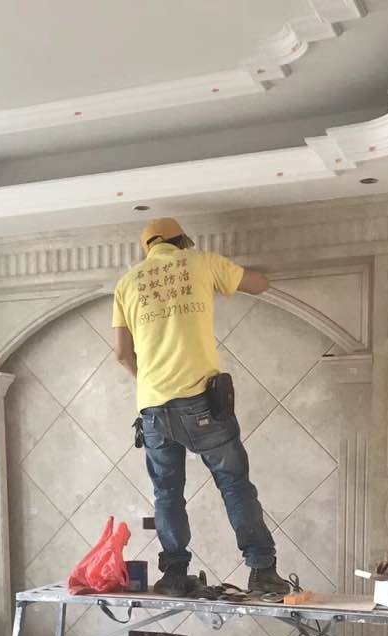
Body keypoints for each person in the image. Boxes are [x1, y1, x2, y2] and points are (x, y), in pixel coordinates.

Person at [113, 217, 291, 598]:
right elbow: (259, 285)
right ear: (182, 241)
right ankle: (262, 570)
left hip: (153, 410)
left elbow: (122, 354)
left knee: (167, 492)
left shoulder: (127, 284)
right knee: (234, 483)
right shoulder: (201, 262)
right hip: (202, 404)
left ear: (147, 249)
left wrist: (151, 383)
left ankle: (175, 575)